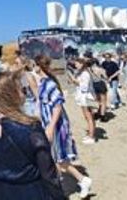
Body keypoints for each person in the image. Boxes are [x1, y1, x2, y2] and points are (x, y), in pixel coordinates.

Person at [0, 72, 66, 199]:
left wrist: (4, 171)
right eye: (23, 90)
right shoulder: (31, 128)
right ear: (13, 95)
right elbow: (48, 173)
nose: (25, 93)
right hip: (29, 190)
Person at [34, 55, 92, 198]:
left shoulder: (49, 84)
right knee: (54, 158)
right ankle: (58, 185)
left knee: (60, 159)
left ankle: (83, 180)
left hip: (57, 126)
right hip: (50, 124)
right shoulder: (44, 82)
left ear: (38, 66)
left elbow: (57, 106)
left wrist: (51, 127)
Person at [71, 58, 97, 144]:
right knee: (87, 117)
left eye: (77, 64)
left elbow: (84, 87)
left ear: (82, 64)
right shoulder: (81, 73)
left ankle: (92, 136)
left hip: (86, 97)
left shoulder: (85, 73)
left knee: (89, 117)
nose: (76, 65)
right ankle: (90, 133)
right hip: (82, 97)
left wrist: (76, 81)